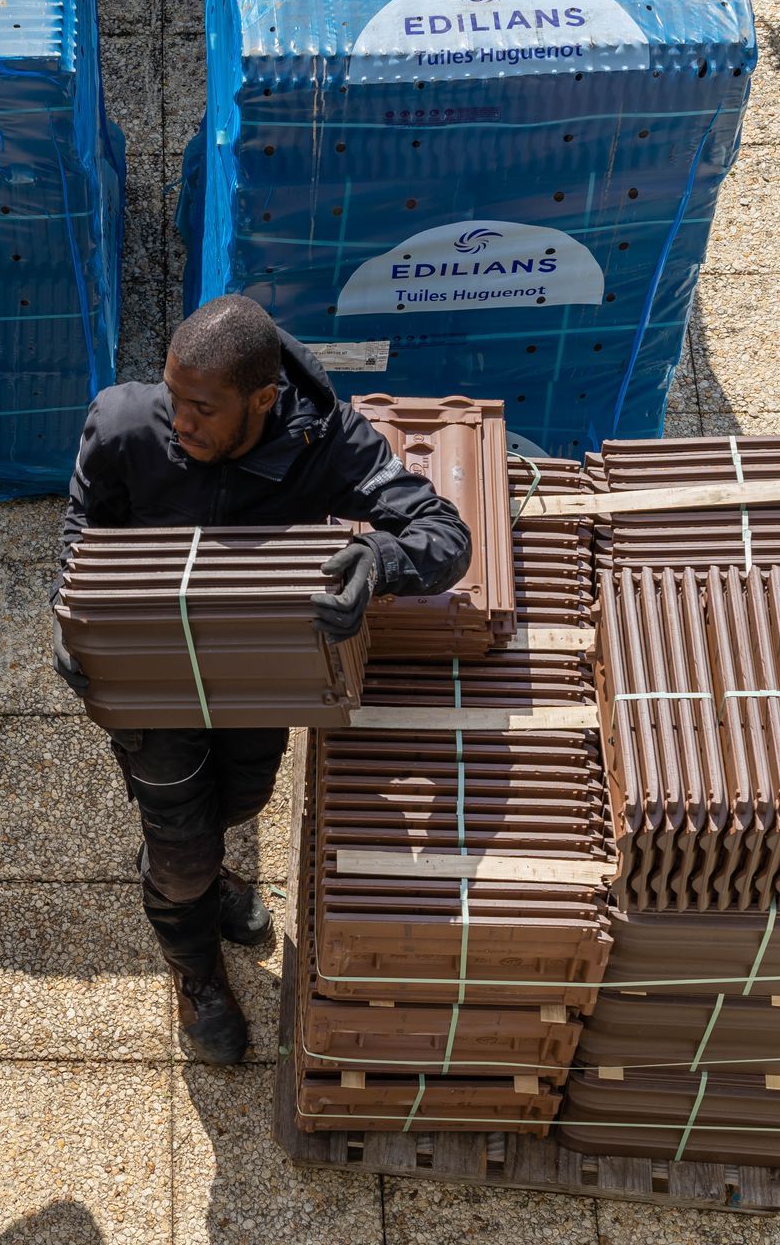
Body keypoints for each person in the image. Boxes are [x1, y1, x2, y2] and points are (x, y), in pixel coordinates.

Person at [55, 294, 472, 1064]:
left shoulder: (327, 443)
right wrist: (74, 619)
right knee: (180, 848)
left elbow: (445, 537)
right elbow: (82, 528)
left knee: (242, 800)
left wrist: (379, 563)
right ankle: (195, 970)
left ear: (263, 400)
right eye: (174, 399)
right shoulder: (122, 425)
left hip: (255, 678)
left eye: (203, 409)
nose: (180, 422)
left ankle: (208, 880)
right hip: (152, 682)